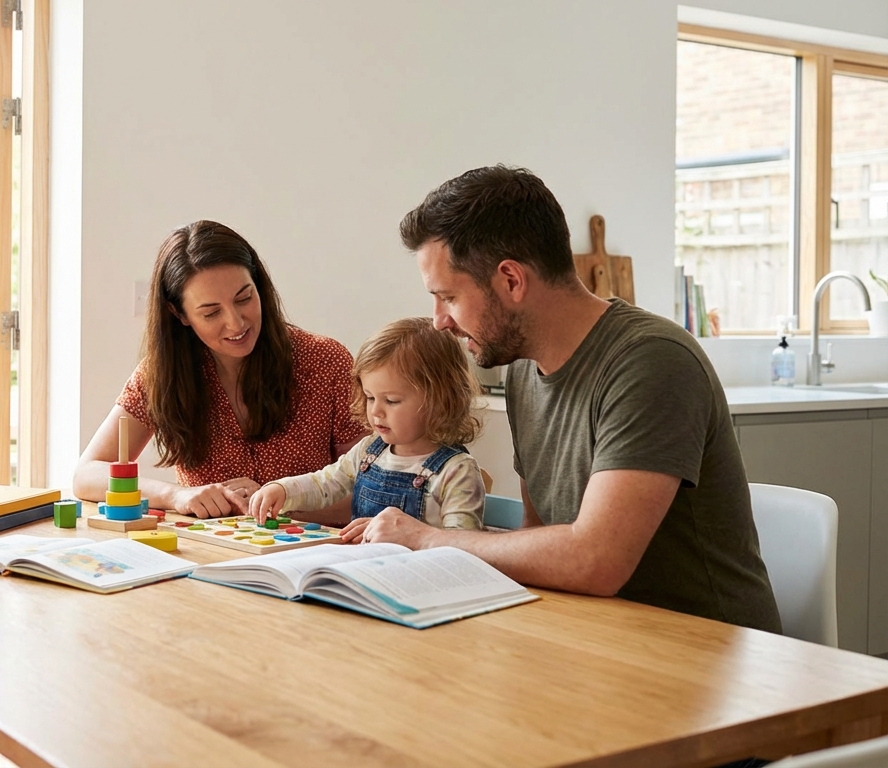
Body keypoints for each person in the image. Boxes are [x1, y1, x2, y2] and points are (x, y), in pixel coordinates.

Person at [355, 164, 780, 632]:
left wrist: (428, 540)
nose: (439, 320)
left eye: (448, 297)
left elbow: (595, 560)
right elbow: (540, 539)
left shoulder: (652, 362)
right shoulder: (521, 369)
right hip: (594, 632)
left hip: (703, 652)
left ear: (511, 281)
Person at [73, 220, 366, 520]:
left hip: (309, 555)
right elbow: (86, 475)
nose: (237, 323)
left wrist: (276, 501)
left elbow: (370, 490)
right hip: (209, 555)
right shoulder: (163, 374)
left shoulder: (325, 361)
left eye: (244, 298)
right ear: (180, 315)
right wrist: (176, 495)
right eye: (211, 312)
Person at [249, 317, 485, 532]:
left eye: (391, 400)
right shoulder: (368, 452)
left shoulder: (457, 472)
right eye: (370, 397)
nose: (376, 411)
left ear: (440, 401)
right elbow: (325, 483)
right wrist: (282, 489)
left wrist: (402, 534)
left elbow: (462, 545)